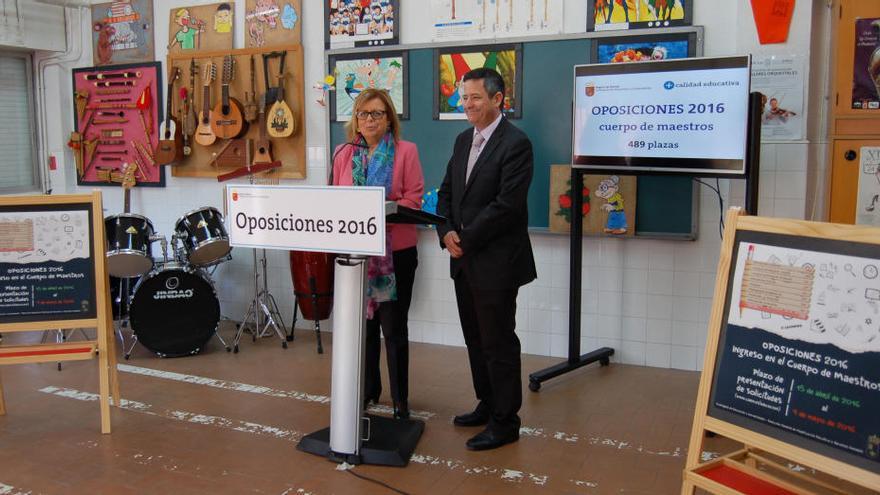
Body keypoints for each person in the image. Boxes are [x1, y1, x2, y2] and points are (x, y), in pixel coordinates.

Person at [437, 67, 536, 451]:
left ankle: (506, 420)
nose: (468, 105)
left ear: (498, 99)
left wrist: (465, 237)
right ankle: (487, 403)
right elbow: (446, 192)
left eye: (475, 97)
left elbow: (507, 206)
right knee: (475, 339)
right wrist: (445, 232)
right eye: (464, 98)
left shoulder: (516, 143)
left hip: (496, 261)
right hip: (463, 260)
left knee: (498, 342)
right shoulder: (463, 140)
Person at [331, 88, 424, 420]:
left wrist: (383, 210)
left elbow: (414, 198)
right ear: (355, 118)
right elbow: (333, 200)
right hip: (354, 256)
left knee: (393, 329)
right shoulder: (343, 153)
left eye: (377, 114)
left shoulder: (405, 151)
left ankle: (400, 400)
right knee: (363, 329)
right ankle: (369, 391)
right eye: (363, 113)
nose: (369, 120)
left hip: (394, 253)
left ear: (389, 119)